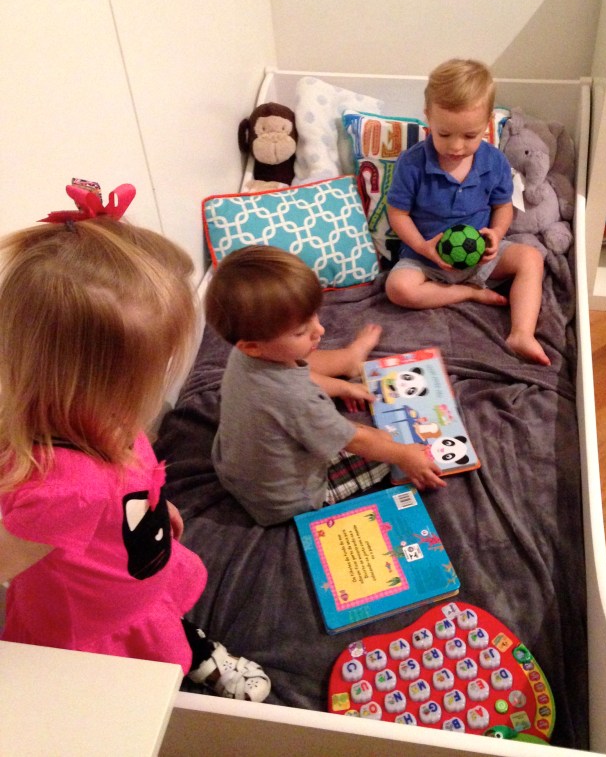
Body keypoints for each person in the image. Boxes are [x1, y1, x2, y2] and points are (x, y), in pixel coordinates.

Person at [0, 183, 270, 702]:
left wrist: (155, 503)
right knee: (128, 674)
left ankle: (189, 648)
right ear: (92, 383)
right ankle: (177, 663)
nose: (154, 391)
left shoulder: (106, 422)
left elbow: (131, 471)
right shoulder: (63, 489)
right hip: (96, 612)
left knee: (160, 621)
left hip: (136, 565)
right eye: (147, 377)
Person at [205, 245, 446, 527]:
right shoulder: (297, 399)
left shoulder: (244, 353)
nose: (319, 331)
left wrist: (343, 388)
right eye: (300, 331)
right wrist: (404, 455)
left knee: (372, 436)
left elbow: (294, 375)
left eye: (314, 317)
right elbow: (353, 440)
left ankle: (348, 362)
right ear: (253, 346)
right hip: (290, 499)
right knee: (389, 443)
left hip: (233, 468)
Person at [385, 58, 550, 366]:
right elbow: (398, 214)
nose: (456, 146)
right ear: (428, 119)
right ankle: (469, 294)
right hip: (426, 260)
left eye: (469, 136)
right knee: (397, 288)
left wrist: (496, 234)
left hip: (481, 256)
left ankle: (521, 333)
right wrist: (422, 246)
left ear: (487, 123)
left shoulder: (495, 162)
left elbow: (503, 206)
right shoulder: (412, 163)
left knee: (532, 258)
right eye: (444, 134)